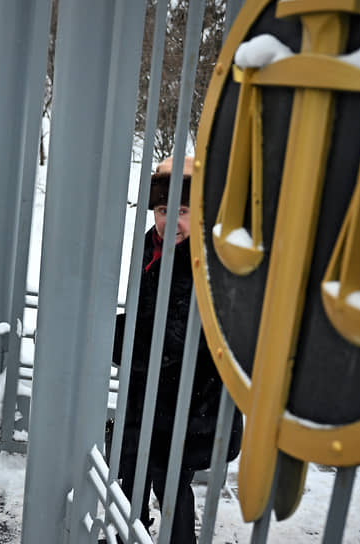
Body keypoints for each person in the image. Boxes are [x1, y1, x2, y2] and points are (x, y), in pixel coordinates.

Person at [112, 156, 242, 542]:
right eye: (164, 209)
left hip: (188, 399)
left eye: (183, 210)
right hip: (148, 394)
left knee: (169, 483)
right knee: (132, 472)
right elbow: (144, 312)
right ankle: (129, 533)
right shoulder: (153, 249)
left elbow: (175, 340)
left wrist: (111, 340)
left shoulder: (204, 261)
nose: (171, 221)